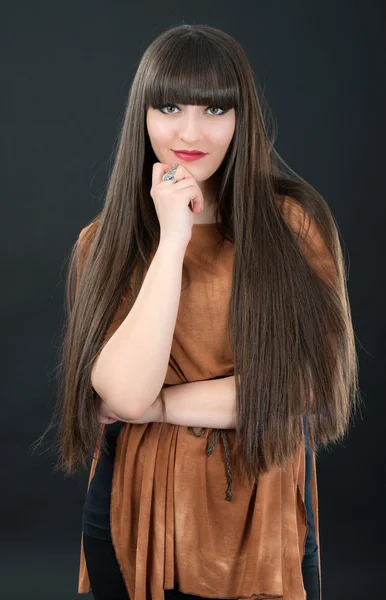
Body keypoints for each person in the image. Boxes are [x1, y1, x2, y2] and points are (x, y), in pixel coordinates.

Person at [33, 23, 361, 600]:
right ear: (144, 115)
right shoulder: (102, 243)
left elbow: (308, 387)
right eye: (170, 106)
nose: (191, 131)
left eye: (215, 109)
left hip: (266, 519)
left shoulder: (293, 225)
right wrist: (174, 235)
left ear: (242, 119)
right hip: (128, 518)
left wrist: (161, 405)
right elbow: (125, 393)